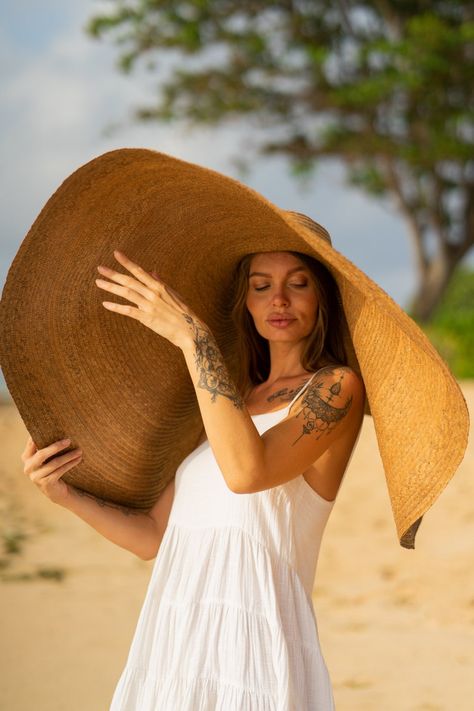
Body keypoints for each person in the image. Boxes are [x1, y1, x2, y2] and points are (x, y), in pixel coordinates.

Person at [22, 246, 366, 709]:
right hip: (176, 635)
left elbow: (248, 472)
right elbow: (155, 537)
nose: (278, 299)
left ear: (323, 297)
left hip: (253, 643)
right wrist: (64, 495)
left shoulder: (335, 387)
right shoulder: (226, 402)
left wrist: (194, 340)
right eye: (261, 286)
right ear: (245, 304)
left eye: (297, 284)